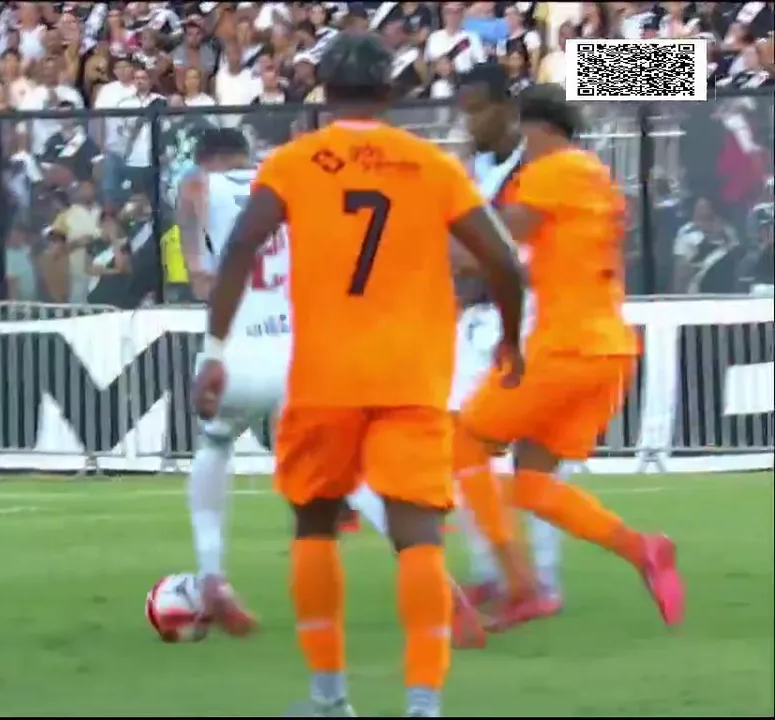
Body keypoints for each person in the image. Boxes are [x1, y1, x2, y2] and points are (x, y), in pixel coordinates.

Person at [193, 32, 527, 718]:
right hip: (410, 377)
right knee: (418, 538)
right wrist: (512, 341)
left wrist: (213, 348)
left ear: (323, 87)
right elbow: (502, 260)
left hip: (323, 376)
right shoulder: (429, 164)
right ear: (390, 91)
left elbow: (240, 246)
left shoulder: (293, 162)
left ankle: (329, 699)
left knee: (315, 526)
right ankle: (423, 706)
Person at [453, 83, 685, 632]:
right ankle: (641, 548)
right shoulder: (595, 176)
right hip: (608, 349)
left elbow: (496, 246)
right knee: (532, 483)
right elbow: (543, 258)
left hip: (566, 345)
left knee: (463, 442)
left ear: (536, 126)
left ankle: (518, 585)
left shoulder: (551, 171)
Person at [352, 62, 571, 618]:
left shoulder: (539, 167)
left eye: (476, 110)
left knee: (525, 453)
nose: (468, 122)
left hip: (532, 316)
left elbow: (503, 252)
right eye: (463, 111)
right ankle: (500, 575)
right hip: (482, 321)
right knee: (463, 446)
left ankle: (538, 579)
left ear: (507, 108)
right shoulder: (477, 169)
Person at [174, 127, 289, 637]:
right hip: (296, 350)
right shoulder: (283, 182)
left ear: (207, 158)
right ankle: (431, 575)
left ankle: (211, 573)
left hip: (239, 349)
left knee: (215, 443)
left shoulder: (203, 183)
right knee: (350, 470)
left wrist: (196, 261)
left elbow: (190, 196)